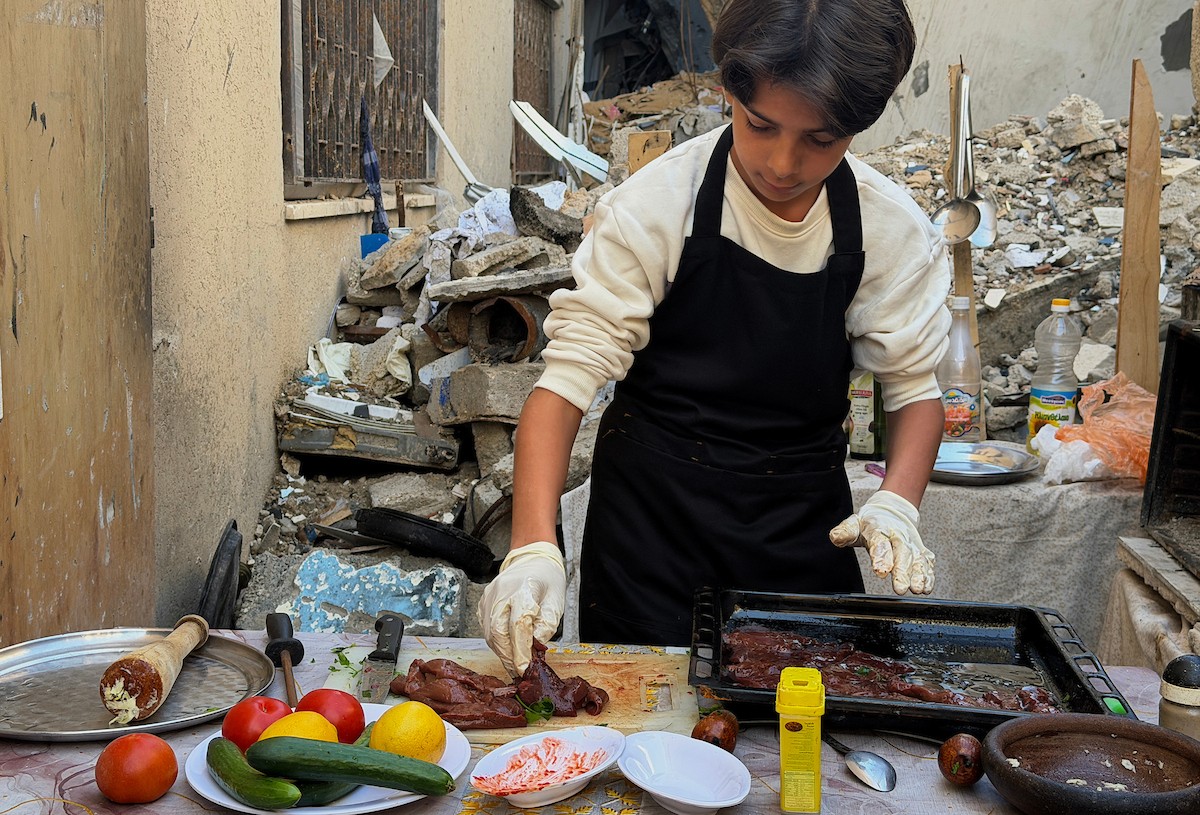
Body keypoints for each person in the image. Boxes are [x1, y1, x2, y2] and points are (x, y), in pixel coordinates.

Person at [480, 0, 951, 676]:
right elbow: (563, 387)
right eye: (760, 125)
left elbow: (913, 390)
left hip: (798, 529)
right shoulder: (656, 206)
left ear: (857, 126)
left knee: (801, 734)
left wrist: (898, 503)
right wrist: (531, 547)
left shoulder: (891, 232)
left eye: (819, 139)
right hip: (651, 529)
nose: (783, 162)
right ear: (729, 89)